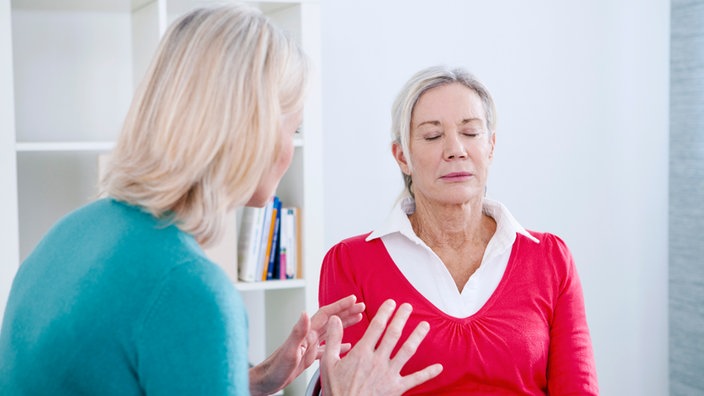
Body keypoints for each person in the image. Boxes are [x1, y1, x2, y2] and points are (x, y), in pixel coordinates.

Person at [0, 4, 441, 395]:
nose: (289, 150)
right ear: (251, 130)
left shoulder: (74, 231)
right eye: (293, 129)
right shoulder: (189, 289)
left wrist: (253, 379)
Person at [319, 65, 599, 395]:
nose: (456, 149)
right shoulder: (350, 263)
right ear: (402, 157)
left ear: (491, 146)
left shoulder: (550, 258)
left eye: (470, 133)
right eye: (433, 136)